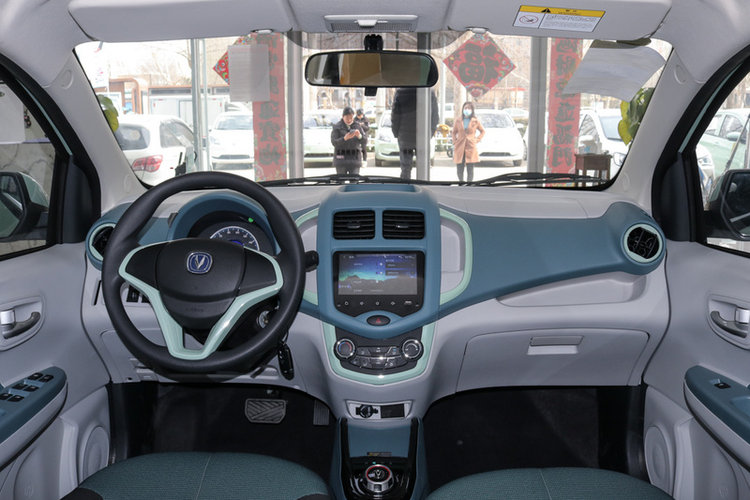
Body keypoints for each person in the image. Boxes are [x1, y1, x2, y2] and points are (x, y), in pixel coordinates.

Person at [391, 88, 439, 180]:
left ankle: (405, 185)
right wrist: (429, 133)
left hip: (405, 136)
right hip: (422, 135)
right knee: (423, 167)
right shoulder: (428, 91)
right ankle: (423, 185)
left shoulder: (401, 92)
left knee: (405, 168)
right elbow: (435, 116)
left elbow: (395, 116)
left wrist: (396, 132)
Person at [452, 101, 485, 182]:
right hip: (460, 146)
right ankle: (461, 183)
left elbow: (482, 131)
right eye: (465, 108)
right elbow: (454, 132)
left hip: (470, 146)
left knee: (470, 169)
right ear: (463, 109)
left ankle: (469, 185)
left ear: (472, 110)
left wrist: (477, 140)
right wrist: (455, 141)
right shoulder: (458, 120)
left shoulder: (475, 121)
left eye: (469, 108)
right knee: (459, 168)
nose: (467, 110)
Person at [331, 107, 367, 175]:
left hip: (354, 159)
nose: (349, 120)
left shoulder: (357, 126)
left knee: (354, 180)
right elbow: (334, 142)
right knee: (341, 180)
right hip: (341, 159)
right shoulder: (337, 126)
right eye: (347, 118)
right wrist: (344, 138)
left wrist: (359, 136)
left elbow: (365, 141)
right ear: (343, 116)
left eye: (351, 118)